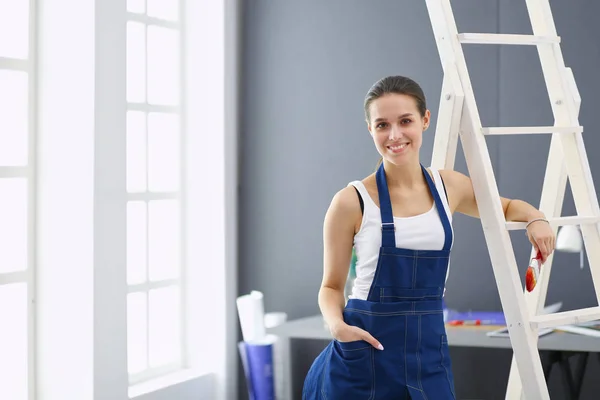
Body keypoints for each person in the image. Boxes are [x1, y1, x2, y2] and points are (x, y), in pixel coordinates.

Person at [302, 75, 556, 399]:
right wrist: (337, 327)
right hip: (364, 353)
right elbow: (331, 287)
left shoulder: (448, 187)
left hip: (427, 355)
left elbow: (504, 206)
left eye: (405, 121)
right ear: (370, 129)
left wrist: (536, 218)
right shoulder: (351, 201)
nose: (394, 135)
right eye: (382, 125)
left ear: (425, 120)